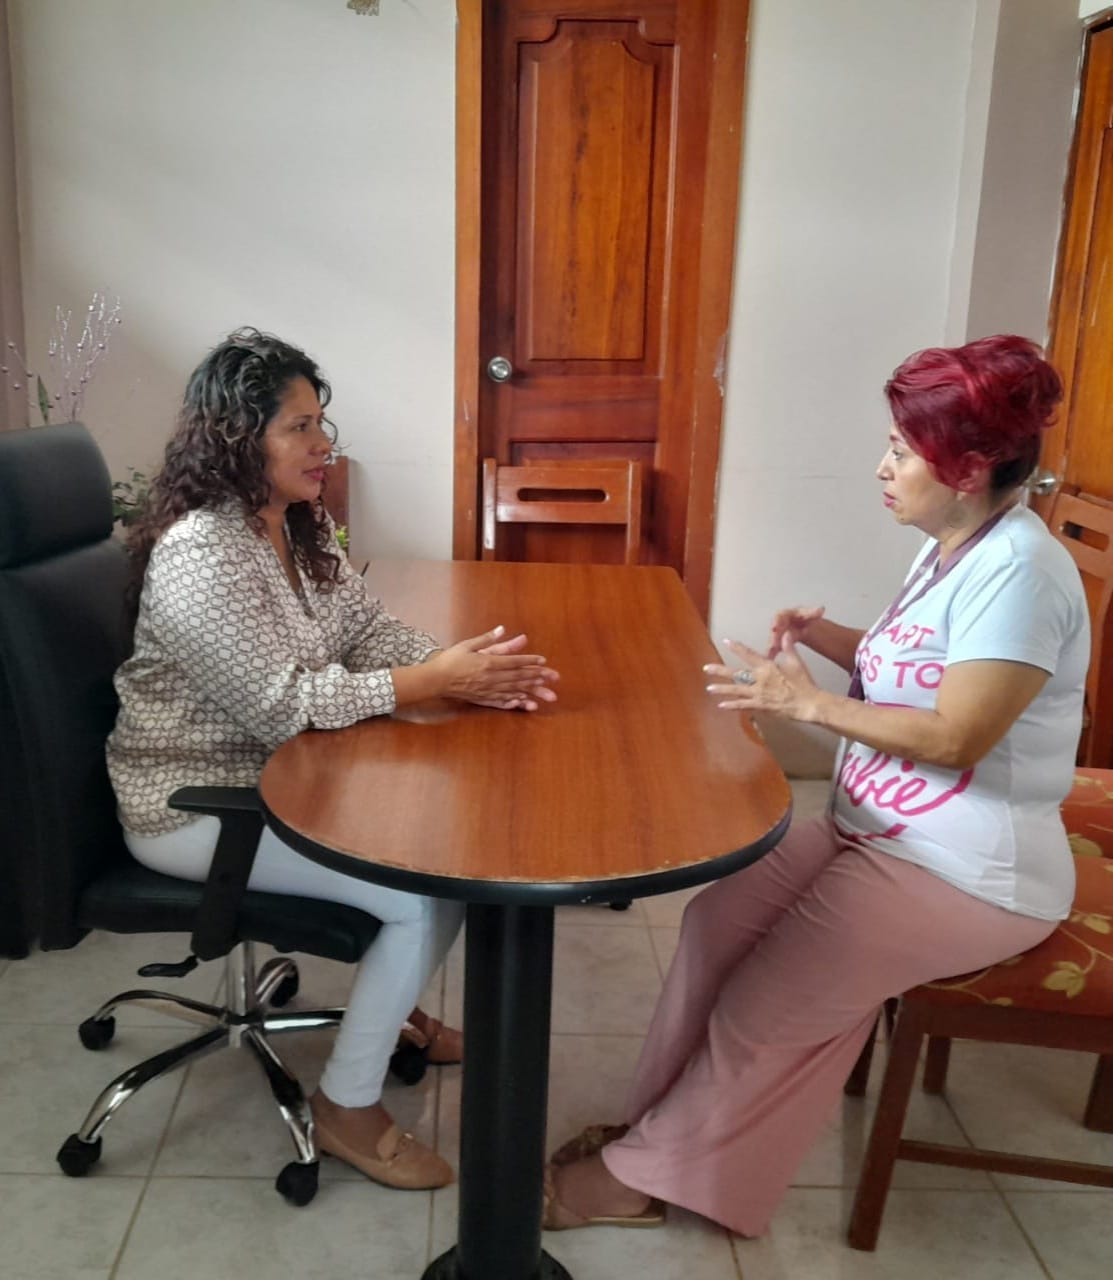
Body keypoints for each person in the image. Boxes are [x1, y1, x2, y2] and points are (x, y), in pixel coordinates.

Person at [543, 334, 1088, 1236]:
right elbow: (932, 665)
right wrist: (828, 640)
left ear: (967, 468)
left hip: (964, 871)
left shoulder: (1022, 574)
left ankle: (640, 1179)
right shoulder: (954, 542)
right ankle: (655, 1128)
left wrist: (804, 703)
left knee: (770, 1002)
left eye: (901, 452)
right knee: (715, 922)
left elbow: (959, 734)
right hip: (875, 826)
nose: (881, 467)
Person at [107, 327, 559, 1191]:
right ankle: (348, 1106)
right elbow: (281, 704)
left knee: (447, 850)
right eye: (299, 427)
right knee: (423, 893)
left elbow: (363, 629)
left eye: (321, 422)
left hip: (290, 773)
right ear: (237, 438)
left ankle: (391, 1013)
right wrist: (430, 682)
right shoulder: (203, 552)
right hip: (198, 805)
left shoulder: (291, 523)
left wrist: (460, 672)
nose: (323, 444)